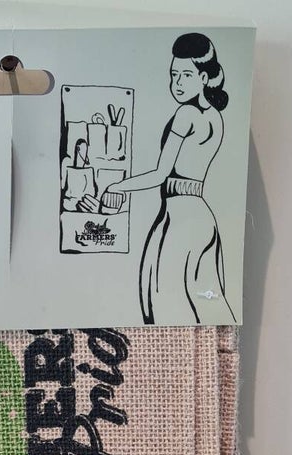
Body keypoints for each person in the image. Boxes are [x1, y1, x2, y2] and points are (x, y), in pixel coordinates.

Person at [104, 33, 236, 325]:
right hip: (202, 216)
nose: (177, 83)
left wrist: (118, 186)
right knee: (209, 304)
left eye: (186, 75)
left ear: (203, 77)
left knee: (160, 298)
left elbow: (160, 173)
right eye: (173, 74)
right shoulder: (215, 116)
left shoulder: (186, 113)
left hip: (179, 217)